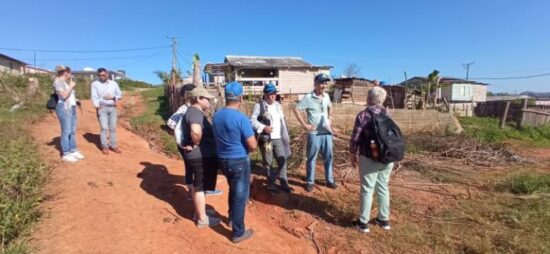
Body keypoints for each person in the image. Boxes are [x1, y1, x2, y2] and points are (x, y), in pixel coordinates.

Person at [213, 81, 256, 243]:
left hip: (223, 160)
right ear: (240, 97)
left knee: (233, 190)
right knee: (240, 196)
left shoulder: (217, 116)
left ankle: (231, 218)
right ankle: (238, 233)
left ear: (226, 97)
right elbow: (252, 145)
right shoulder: (241, 118)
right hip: (239, 160)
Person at [349, 86, 394, 233]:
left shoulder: (363, 115)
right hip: (387, 157)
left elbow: (355, 137)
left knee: (367, 189)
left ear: (369, 98)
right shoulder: (387, 113)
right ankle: (384, 220)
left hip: (369, 157)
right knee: (383, 187)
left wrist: (352, 154)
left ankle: (363, 223)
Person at [180, 86, 221, 228]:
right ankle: (203, 219)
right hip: (200, 156)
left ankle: (199, 212)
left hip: (200, 155)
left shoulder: (193, 112)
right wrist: (196, 142)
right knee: (200, 187)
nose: (209, 101)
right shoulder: (195, 112)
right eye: (206, 99)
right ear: (198, 99)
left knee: (200, 186)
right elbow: (196, 130)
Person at [293, 73, 337, 192]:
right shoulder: (308, 97)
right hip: (314, 133)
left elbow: (330, 107)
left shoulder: (327, 96)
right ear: (316, 84)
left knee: (328, 156)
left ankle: (329, 180)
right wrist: (305, 125)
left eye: (325, 83)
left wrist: (330, 118)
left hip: (326, 132)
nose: (324, 85)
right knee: (312, 157)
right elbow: (296, 109)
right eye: (322, 83)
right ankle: (310, 182)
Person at [250, 83, 292, 193]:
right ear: (265, 94)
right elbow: (252, 121)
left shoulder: (278, 105)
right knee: (268, 161)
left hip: (278, 138)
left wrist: (286, 134)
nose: (272, 96)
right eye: (270, 94)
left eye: (274, 93)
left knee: (282, 159)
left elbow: (282, 121)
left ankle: (283, 182)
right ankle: (271, 184)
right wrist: (264, 127)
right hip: (267, 139)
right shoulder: (259, 105)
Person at [53, 65, 84, 162]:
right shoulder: (57, 81)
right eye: (71, 73)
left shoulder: (64, 82)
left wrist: (76, 100)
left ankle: (73, 150)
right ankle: (66, 153)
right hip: (64, 108)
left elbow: (70, 96)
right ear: (65, 73)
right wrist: (71, 86)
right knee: (66, 131)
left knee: (72, 130)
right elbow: (64, 96)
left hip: (72, 107)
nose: (72, 74)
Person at [91, 68, 122, 154]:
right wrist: (97, 106)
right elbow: (94, 97)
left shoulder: (113, 84)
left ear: (107, 74)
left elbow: (119, 94)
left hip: (112, 107)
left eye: (103, 75)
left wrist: (113, 97)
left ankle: (113, 145)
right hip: (102, 108)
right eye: (100, 75)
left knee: (113, 128)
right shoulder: (95, 84)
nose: (102, 77)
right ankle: (105, 146)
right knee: (104, 128)